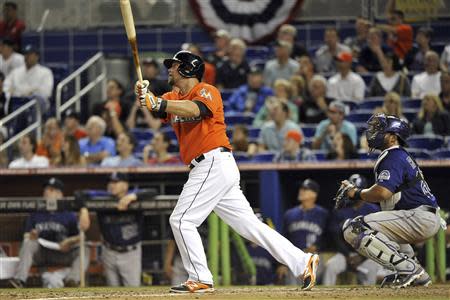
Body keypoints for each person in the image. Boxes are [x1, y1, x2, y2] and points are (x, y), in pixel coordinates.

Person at [135, 50, 320, 293]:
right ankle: (302, 261)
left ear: (189, 69)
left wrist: (158, 102)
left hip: (213, 162)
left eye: (175, 65)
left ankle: (200, 277)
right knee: (251, 227)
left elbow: (194, 110)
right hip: (212, 167)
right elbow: (159, 107)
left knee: (181, 220)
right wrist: (144, 95)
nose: (169, 69)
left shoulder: (206, 90)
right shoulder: (173, 95)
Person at [338, 113, 443, 288]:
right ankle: (418, 275)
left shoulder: (393, 155)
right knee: (379, 232)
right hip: (419, 215)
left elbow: (382, 193)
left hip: (417, 216)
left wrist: (355, 193)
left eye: (380, 130)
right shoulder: (399, 155)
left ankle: (408, 269)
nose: (373, 133)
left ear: (393, 137)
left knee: (354, 228)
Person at [8, 178, 90, 288]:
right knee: (28, 243)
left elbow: (80, 237)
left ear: (59, 194)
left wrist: (69, 241)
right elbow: (26, 235)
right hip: (41, 253)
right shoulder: (36, 213)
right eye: (46, 190)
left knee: (84, 249)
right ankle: (19, 280)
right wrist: (32, 236)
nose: (47, 192)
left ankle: (72, 281)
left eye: (51, 190)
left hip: (62, 252)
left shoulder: (68, 215)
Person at [80, 172, 151, 287]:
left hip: (130, 252)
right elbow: (80, 194)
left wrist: (133, 197)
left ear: (125, 185)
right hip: (109, 251)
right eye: (110, 182)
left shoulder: (134, 195)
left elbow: (152, 192)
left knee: (133, 291)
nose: (111, 185)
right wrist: (83, 210)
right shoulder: (103, 197)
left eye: (116, 182)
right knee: (112, 291)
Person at [323, 174, 381, 286]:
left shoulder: (373, 210)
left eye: (355, 190)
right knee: (331, 266)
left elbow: (377, 237)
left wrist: (362, 257)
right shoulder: (340, 208)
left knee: (372, 268)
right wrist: (347, 255)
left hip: (367, 254)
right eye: (349, 190)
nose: (352, 193)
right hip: (345, 254)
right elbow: (335, 236)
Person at [277, 179, 329, 285]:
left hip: (314, 256)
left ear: (314, 194)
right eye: (301, 189)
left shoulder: (323, 214)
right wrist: (281, 264)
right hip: (294, 256)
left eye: (305, 189)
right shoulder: (290, 214)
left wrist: (318, 246)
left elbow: (329, 237)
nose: (301, 191)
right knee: (291, 279)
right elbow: (283, 239)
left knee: (311, 278)